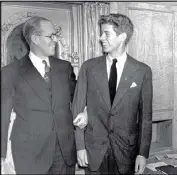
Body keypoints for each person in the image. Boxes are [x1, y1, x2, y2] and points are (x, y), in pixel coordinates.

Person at [1, 16, 87, 174]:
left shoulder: (65, 67)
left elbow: (78, 99)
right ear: (35, 38)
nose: (55, 40)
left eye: (56, 36)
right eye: (51, 36)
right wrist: (1, 155)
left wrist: (86, 111)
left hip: (64, 152)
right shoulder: (10, 72)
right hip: (29, 154)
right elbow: (2, 115)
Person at [72, 13, 153, 175]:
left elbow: (146, 118)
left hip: (126, 152)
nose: (101, 38)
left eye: (106, 33)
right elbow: (77, 108)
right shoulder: (89, 67)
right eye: (101, 33)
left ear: (122, 36)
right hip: (93, 151)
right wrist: (80, 147)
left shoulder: (142, 71)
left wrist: (143, 153)